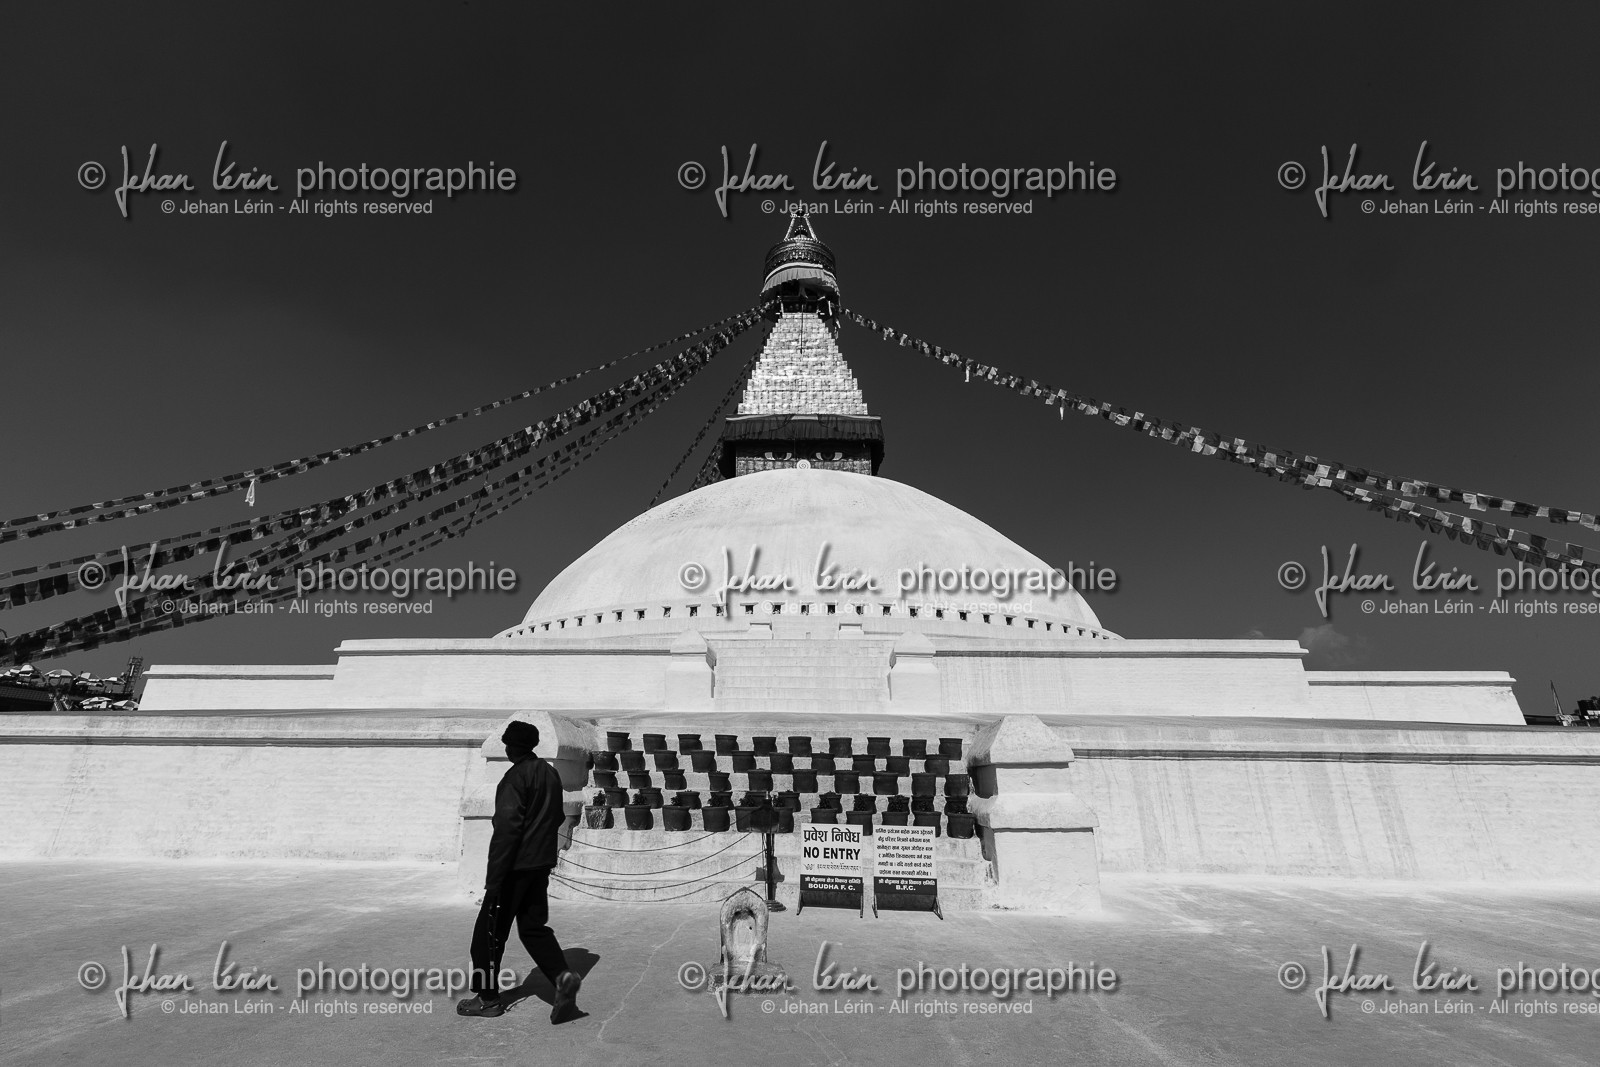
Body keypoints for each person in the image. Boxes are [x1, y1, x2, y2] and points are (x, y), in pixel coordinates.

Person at [457, 720, 583, 1023]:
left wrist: (495, 878)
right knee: (533, 928)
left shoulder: (514, 779)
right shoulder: (550, 773)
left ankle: (488, 1000)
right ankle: (562, 978)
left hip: (514, 867)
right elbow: (555, 817)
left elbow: (507, 831)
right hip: (539, 865)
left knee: (487, 935)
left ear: (511, 746)